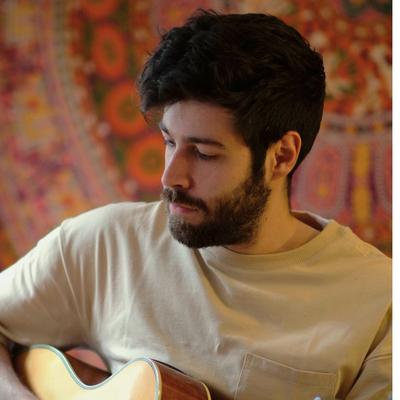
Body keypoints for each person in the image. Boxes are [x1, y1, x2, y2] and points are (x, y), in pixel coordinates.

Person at [0, 10, 391, 400]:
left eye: (204, 153)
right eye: (170, 142)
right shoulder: (104, 246)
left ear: (282, 156)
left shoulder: (380, 302)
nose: (170, 177)